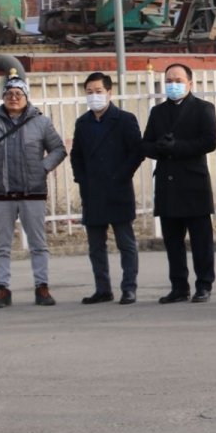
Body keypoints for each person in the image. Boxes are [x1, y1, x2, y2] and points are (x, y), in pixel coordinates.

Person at [0, 73, 67, 309]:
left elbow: (58, 149)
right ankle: (2, 289)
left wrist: (42, 169)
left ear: (26, 97)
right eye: (9, 93)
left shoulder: (41, 123)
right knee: (2, 245)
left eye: (18, 93)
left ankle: (42, 286)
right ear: (3, 97)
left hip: (32, 192)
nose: (13, 97)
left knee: (38, 244)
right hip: (1, 195)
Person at [141, 63, 216, 304]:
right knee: (173, 241)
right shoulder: (158, 112)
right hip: (167, 183)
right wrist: (159, 148)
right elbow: (146, 144)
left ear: (190, 83)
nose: (173, 85)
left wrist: (177, 147)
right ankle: (178, 286)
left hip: (193, 183)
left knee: (201, 241)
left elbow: (209, 142)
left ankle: (204, 284)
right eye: (169, 81)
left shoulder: (203, 108)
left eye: (178, 80)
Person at [70, 72, 144, 305]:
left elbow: (137, 152)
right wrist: (82, 179)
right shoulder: (83, 123)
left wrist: (122, 175)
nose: (94, 96)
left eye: (98, 91)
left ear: (109, 93)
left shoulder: (124, 119)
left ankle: (129, 288)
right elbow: (76, 155)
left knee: (125, 242)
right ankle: (102, 289)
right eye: (89, 92)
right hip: (93, 191)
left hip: (118, 189)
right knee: (96, 246)